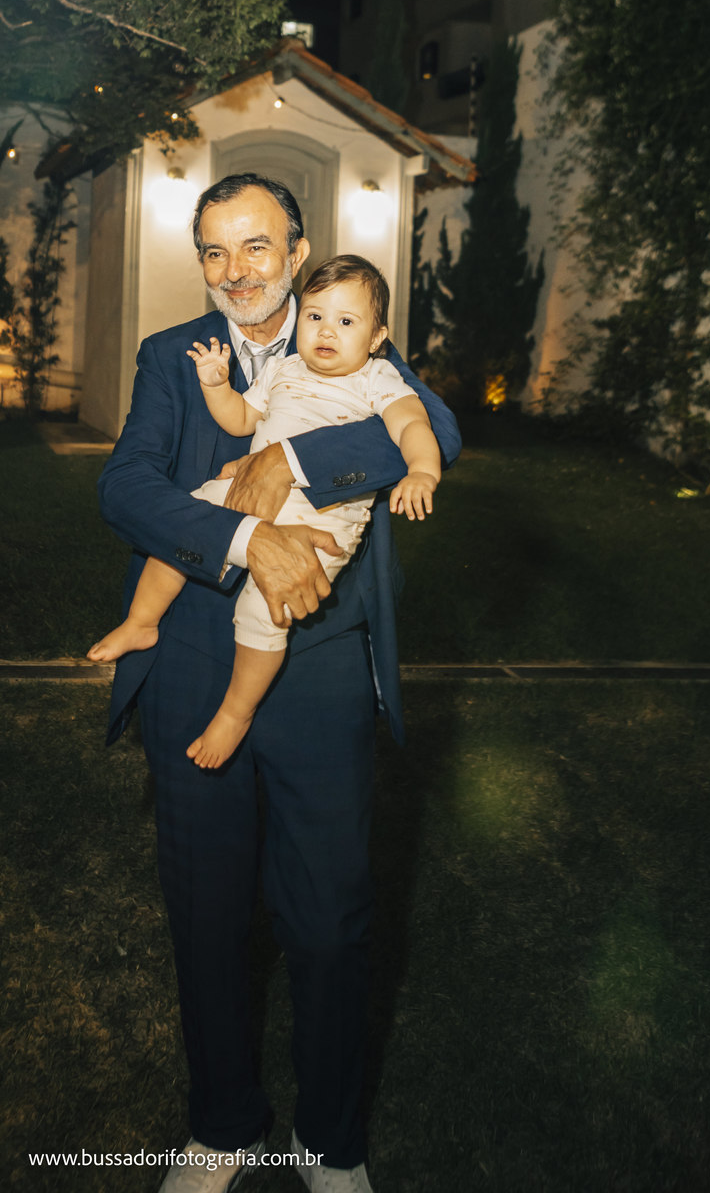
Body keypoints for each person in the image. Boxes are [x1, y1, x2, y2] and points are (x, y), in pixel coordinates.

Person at [97, 173, 461, 1193]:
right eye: (215, 251)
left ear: (297, 253)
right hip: (194, 661)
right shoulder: (174, 356)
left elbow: (437, 432)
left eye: (256, 246)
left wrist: (292, 458)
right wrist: (246, 537)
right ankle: (224, 1127)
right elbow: (126, 486)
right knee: (205, 911)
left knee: (330, 918)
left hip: (323, 662)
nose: (236, 270)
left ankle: (331, 1144)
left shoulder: (351, 329)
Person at [89, 254, 441, 770]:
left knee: (263, 614)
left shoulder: (378, 377)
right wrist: (216, 385)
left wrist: (422, 472)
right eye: (316, 316)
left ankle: (236, 711)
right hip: (240, 502)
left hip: (318, 523)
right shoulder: (283, 368)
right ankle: (143, 621)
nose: (326, 330)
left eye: (346, 322)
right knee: (186, 524)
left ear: (376, 338)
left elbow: (415, 426)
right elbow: (240, 420)